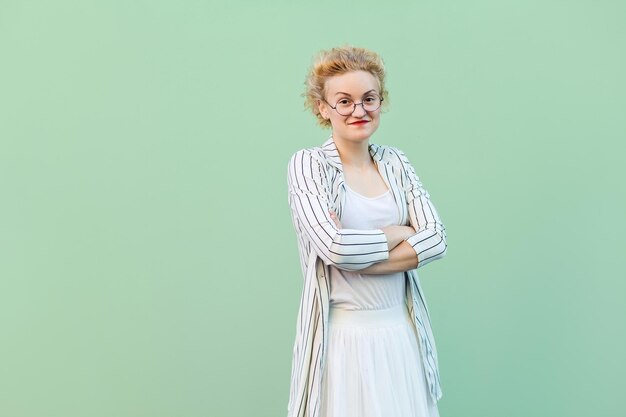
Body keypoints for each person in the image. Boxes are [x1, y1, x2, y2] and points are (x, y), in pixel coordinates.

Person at [286, 45, 448, 417]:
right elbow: (336, 248)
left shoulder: (396, 161)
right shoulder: (308, 165)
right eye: (344, 101)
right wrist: (398, 232)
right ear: (323, 108)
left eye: (368, 99)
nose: (359, 110)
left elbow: (436, 238)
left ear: (380, 101)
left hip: (401, 334)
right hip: (343, 340)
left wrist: (361, 258)